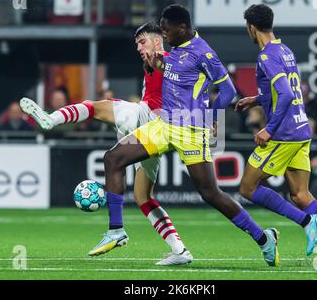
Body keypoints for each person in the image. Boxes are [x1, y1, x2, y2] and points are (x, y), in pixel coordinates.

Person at [95, 4, 286, 268]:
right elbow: (179, 79)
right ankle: (116, 231)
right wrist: (160, 65)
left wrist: (212, 117)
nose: (163, 34)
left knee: (210, 193)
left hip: (191, 129)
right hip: (164, 125)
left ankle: (264, 238)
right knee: (113, 158)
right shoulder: (175, 49)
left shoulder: (203, 52)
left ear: (182, 28)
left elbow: (229, 91)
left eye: (166, 29)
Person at [20, 21, 191, 265]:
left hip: (146, 119)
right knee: (144, 196)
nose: (139, 48)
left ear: (157, 40)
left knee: (94, 107)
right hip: (155, 133)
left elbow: (172, 88)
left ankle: (51, 120)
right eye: (137, 44)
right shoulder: (158, 63)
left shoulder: (164, 59)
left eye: (142, 42)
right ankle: (179, 250)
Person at [235, 4, 317, 272]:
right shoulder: (284, 50)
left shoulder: (266, 56)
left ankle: (305, 222)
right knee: (301, 194)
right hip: (301, 130)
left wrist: (269, 129)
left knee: (247, 188)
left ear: (251, 28)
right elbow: (286, 90)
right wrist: (256, 99)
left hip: (284, 134)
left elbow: (286, 95)